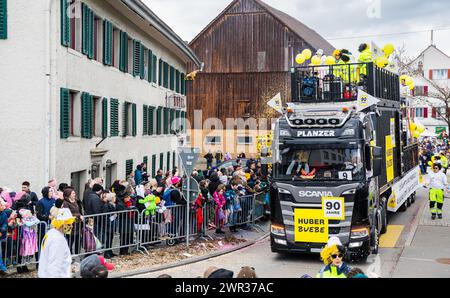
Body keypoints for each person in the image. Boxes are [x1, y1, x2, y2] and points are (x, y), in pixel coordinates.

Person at [38, 208, 76, 278]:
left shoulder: (50, 233)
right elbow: (54, 266)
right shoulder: (58, 240)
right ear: (62, 223)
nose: (71, 226)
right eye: (69, 224)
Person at [62, 188, 83, 255]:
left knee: (78, 240)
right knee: (70, 241)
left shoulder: (75, 201)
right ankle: (69, 255)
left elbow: (78, 210)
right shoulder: (65, 203)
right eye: (73, 193)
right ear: (69, 195)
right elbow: (67, 213)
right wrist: (78, 216)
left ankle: (77, 254)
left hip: (77, 224)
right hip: (70, 225)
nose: (74, 194)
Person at [101, 192, 117, 258]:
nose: (115, 198)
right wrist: (109, 221)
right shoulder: (106, 205)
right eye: (114, 197)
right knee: (108, 239)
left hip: (112, 223)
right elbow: (105, 216)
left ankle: (110, 251)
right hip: (108, 224)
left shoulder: (113, 204)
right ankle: (106, 253)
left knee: (111, 238)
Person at [0, 198, 9, 273]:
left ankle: (2, 268)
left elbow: (5, 224)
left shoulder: (4, 214)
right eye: (2, 205)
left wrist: (1, 232)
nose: (4, 207)